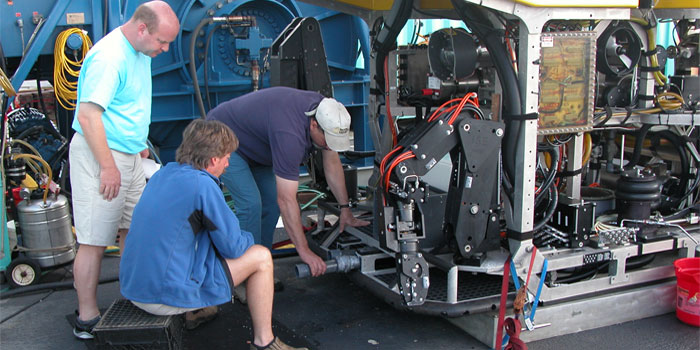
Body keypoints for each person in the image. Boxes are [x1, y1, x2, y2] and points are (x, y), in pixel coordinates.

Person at [120, 119, 306, 350]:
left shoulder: (164, 173)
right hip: (162, 296)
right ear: (214, 160)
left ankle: (197, 310)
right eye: (227, 156)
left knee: (193, 242)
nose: (229, 163)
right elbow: (233, 246)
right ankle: (265, 343)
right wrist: (248, 237)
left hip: (135, 287)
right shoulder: (203, 186)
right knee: (261, 257)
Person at [69, 0, 179, 339]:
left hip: (129, 154)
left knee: (134, 229)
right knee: (94, 239)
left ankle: (134, 298)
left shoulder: (140, 51)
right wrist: (107, 167)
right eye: (162, 41)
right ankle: (87, 317)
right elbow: (89, 115)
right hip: (101, 155)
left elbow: (127, 103)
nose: (165, 49)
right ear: (142, 28)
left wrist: (139, 139)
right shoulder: (109, 57)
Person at [207, 87, 369, 278]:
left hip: (255, 144)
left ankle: (261, 266)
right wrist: (304, 251)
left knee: (271, 204)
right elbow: (287, 200)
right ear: (314, 125)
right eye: (327, 140)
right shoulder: (290, 135)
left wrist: (345, 209)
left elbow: (332, 163)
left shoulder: (327, 112)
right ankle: (244, 274)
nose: (328, 145)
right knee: (251, 204)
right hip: (223, 135)